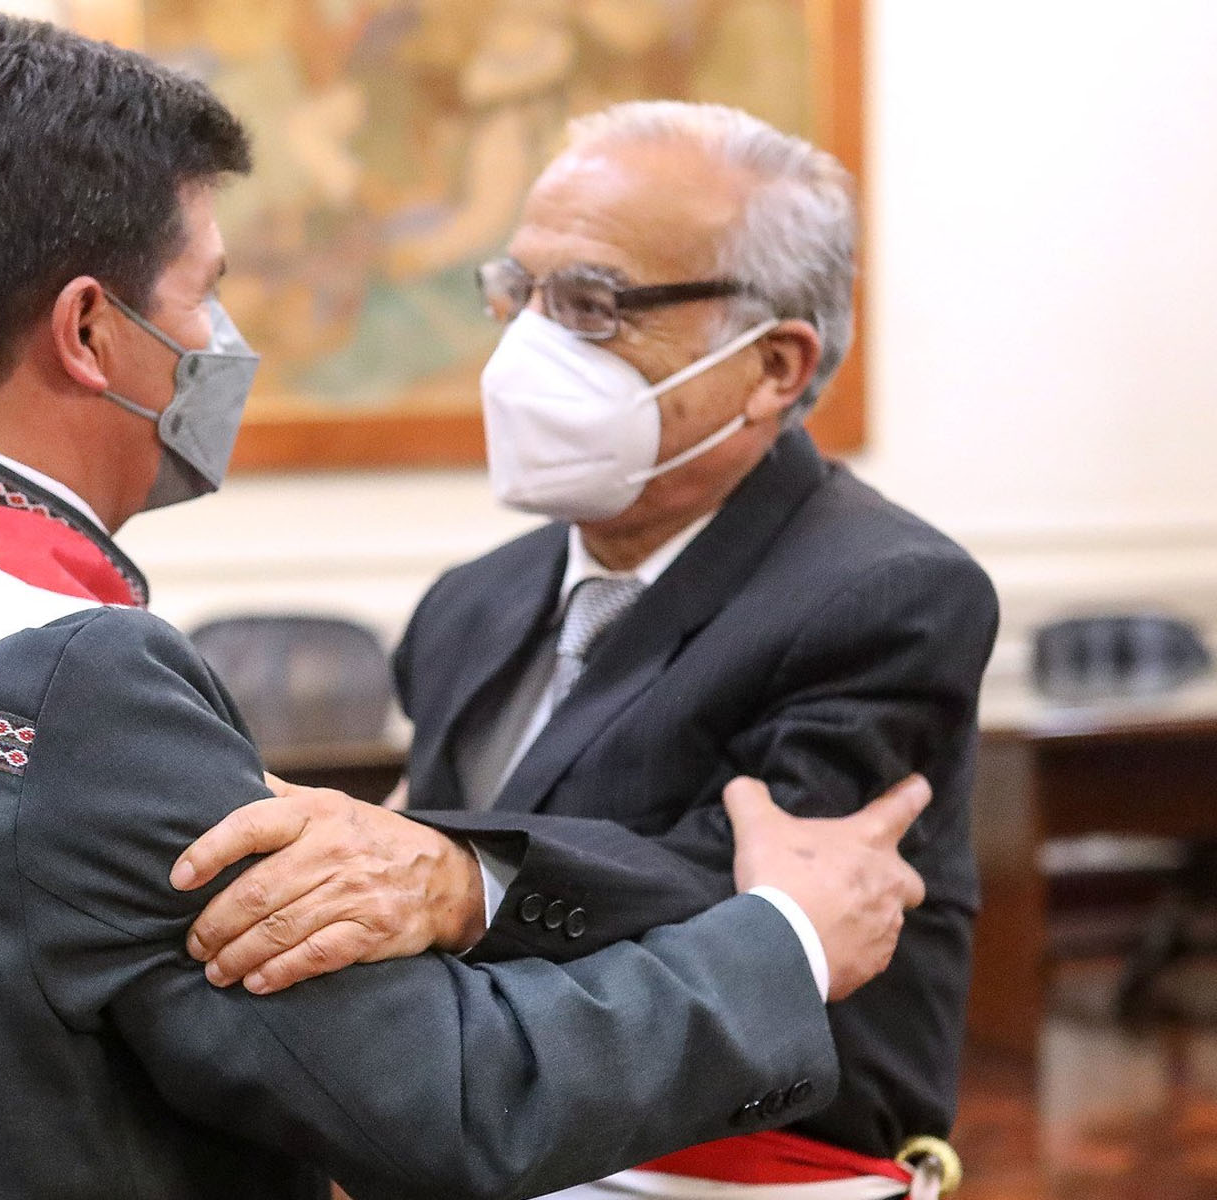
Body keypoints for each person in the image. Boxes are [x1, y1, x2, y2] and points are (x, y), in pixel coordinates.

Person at [0, 22, 931, 1199]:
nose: (222, 341)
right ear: (88, 332)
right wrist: (786, 942)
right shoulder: (76, 685)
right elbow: (450, 1097)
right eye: (203, 293)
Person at [175, 103, 998, 1196]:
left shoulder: (887, 594)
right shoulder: (471, 604)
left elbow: (776, 901)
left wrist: (468, 883)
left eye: (592, 305)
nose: (527, 347)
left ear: (773, 367)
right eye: (519, 294)